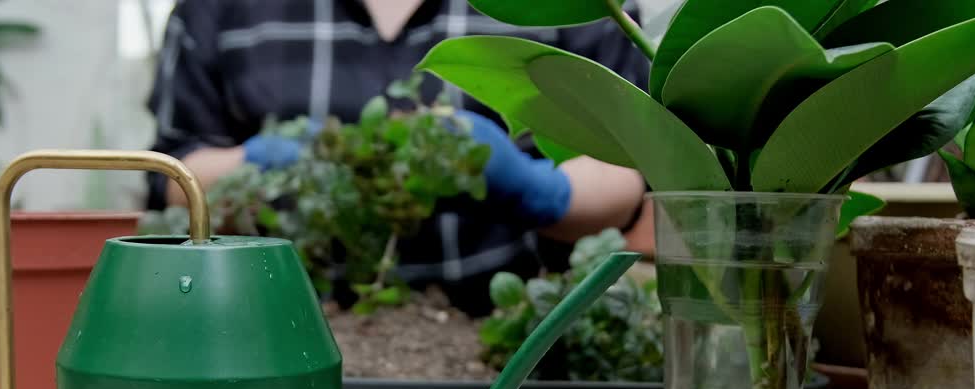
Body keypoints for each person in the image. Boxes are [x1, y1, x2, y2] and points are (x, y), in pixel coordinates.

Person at [144, 0, 649, 315]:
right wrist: (265, 162)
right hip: (273, 331)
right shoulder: (217, 9)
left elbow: (630, 168)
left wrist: (539, 189)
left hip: (511, 341)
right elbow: (172, 175)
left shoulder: (588, 4)